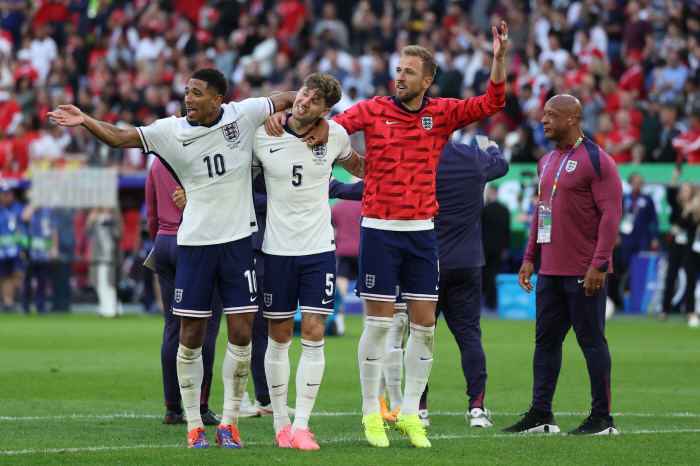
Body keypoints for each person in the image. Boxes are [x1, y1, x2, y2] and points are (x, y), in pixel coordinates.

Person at [266, 24, 509, 448]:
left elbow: (493, 102)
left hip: (421, 232)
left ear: (427, 80)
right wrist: (291, 118)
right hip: (379, 230)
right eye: (398, 69)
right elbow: (329, 126)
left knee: (425, 329)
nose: (400, 77)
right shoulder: (372, 109)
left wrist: (499, 58)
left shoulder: (443, 113)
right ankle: (371, 413)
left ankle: (412, 413)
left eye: (409, 71)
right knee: (379, 327)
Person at [48, 67, 303, 450]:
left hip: (237, 244)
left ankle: (229, 423)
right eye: (186, 91)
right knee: (190, 335)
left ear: (218, 99)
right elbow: (121, 137)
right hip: (195, 245)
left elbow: (291, 98)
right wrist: (85, 119)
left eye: (197, 93)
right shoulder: (171, 130)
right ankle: (194, 424)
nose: (188, 99)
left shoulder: (244, 113)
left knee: (242, 334)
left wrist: (308, 114)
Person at [251, 72, 365, 450]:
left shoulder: (334, 134)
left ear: (326, 110)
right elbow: (239, 182)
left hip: (318, 250)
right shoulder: (262, 132)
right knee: (279, 338)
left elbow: (361, 168)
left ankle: (302, 425)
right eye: (305, 93)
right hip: (277, 249)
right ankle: (281, 423)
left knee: (315, 336)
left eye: (316, 101)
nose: (306, 102)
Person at [505, 95, 623, 435]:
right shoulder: (546, 161)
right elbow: (542, 213)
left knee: (591, 341)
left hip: (584, 270)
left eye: (551, 115)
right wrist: (530, 257)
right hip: (550, 271)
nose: (543, 120)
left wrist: (600, 263)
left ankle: (602, 418)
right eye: (543, 114)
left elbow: (611, 215)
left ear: (573, 119)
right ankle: (541, 414)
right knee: (545, 343)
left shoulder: (599, 161)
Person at [419, 138, 509, 428]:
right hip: (467, 263)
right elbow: (502, 166)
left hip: (426, 263)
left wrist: (336, 188)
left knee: (420, 338)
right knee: (470, 337)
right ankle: (477, 409)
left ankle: (418, 407)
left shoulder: (419, 155)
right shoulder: (474, 157)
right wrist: (491, 146)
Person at [145, 157, 222, 426]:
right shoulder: (202, 153)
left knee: (172, 324)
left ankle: (172, 407)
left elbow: (151, 213)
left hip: (164, 242)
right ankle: (199, 406)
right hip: (196, 240)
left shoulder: (157, 162)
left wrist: (161, 244)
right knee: (207, 325)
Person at [661, 168, 697, 324]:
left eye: (686, 190)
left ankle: (690, 311)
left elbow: (691, 226)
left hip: (690, 246)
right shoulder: (677, 206)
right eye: (682, 190)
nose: (683, 192)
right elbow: (677, 222)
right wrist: (674, 178)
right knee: (671, 277)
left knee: (690, 279)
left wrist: (692, 210)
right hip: (676, 244)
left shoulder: (696, 209)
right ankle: (665, 310)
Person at [20, 204, 57, 314]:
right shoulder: (28, 208)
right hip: (30, 252)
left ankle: (40, 306)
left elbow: (54, 229)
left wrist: (54, 248)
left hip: (44, 252)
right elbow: (24, 217)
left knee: (42, 281)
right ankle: (25, 306)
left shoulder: (48, 210)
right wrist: (33, 205)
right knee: (27, 280)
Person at [618, 173, 658, 271]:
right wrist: (617, 235)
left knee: (641, 262)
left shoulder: (647, 200)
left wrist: (655, 237)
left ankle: (637, 285)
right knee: (626, 263)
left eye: (639, 183)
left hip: (643, 237)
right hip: (627, 237)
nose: (637, 185)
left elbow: (654, 220)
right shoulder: (624, 199)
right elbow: (617, 218)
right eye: (635, 182)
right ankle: (627, 286)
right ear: (630, 183)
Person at [481, 184, 511, 310]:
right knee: (493, 274)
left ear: (491, 192)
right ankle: (490, 302)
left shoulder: (484, 210)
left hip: (483, 247)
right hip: (498, 248)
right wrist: (505, 248)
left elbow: (479, 229)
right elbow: (507, 231)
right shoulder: (504, 210)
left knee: (481, 274)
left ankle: (479, 301)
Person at [0, 182, 25, 312]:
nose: (7, 196)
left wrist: (24, 242)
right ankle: (6, 301)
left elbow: (24, 224)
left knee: (16, 274)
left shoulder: (17, 208)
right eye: (4, 194)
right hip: (1, 249)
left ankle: (8, 301)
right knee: (3, 276)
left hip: (14, 249)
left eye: (9, 193)